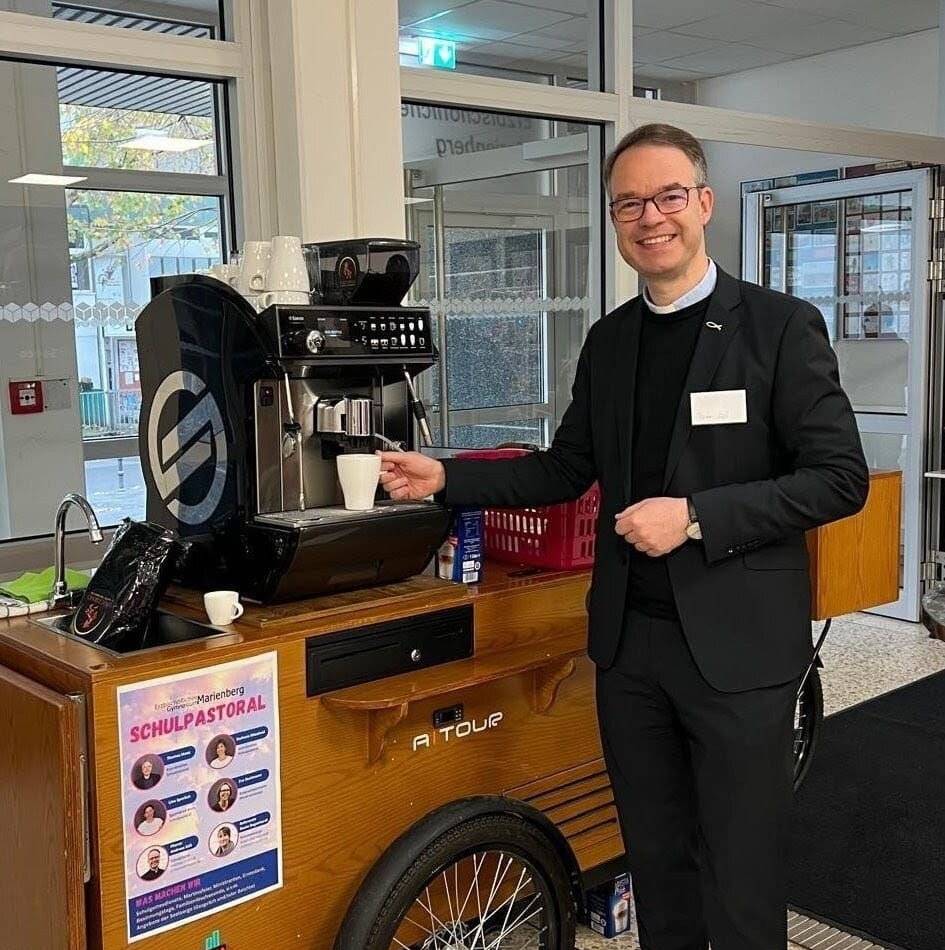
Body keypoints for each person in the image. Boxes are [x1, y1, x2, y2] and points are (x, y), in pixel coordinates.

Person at [379, 122, 869, 950]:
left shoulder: (778, 327)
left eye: (668, 195)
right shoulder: (610, 342)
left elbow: (838, 478)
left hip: (740, 656)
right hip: (630, 649)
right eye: (628, 203)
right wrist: (447, 476)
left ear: (703, 203)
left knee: (740, 872)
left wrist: (697, 515)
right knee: (655, 860)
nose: (651, 217)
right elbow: (564, 469)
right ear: (614, 221)